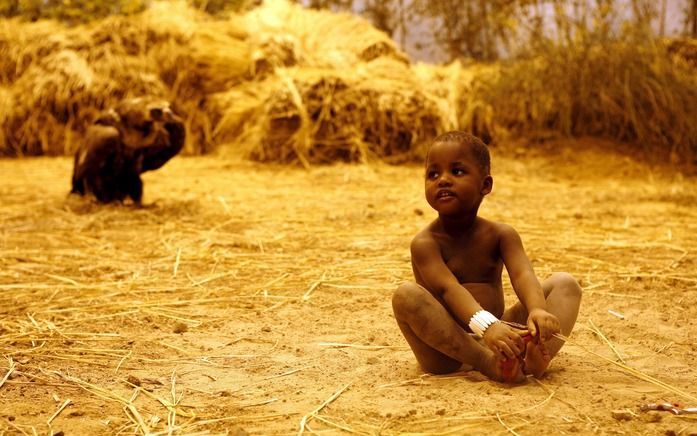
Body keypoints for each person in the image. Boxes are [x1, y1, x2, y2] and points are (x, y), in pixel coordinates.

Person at [392, 131, 582, 382]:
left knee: (565, 284)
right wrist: (487, 327)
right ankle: (487, 363)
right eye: (433, 174)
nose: (443, 180)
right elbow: (449, 289)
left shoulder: (501, 234)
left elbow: (523, 274)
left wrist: (537, 310)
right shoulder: (425, 244)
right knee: (406, 295)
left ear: (486, 185)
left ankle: (534, 355)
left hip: (501, 333)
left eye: (457, 172)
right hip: (447, 349)